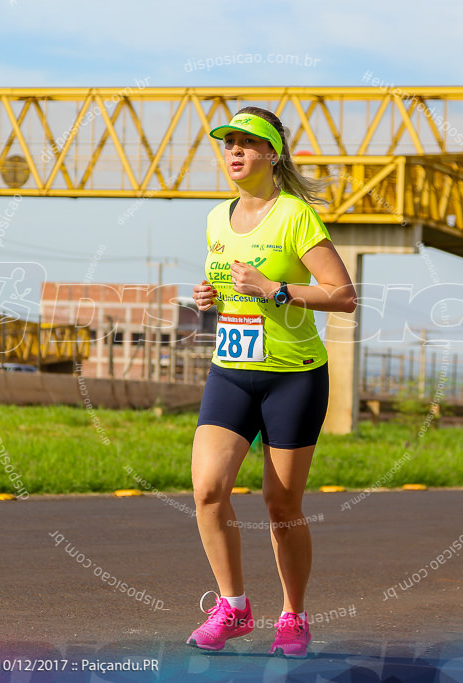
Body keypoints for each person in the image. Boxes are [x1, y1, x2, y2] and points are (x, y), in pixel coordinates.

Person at [186, 106, 356, 658]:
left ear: (272, 154)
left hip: (294, 377)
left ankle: (294, 616)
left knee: (280, 506)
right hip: (232, 369)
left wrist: (275, 289)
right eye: (227, 143)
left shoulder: (295, 217)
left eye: (246, 142)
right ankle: (233, 608)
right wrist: (208, 298)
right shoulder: (216, 219)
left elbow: (343, 296)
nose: (234, 151)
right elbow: (226, 282)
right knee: (209, 490)